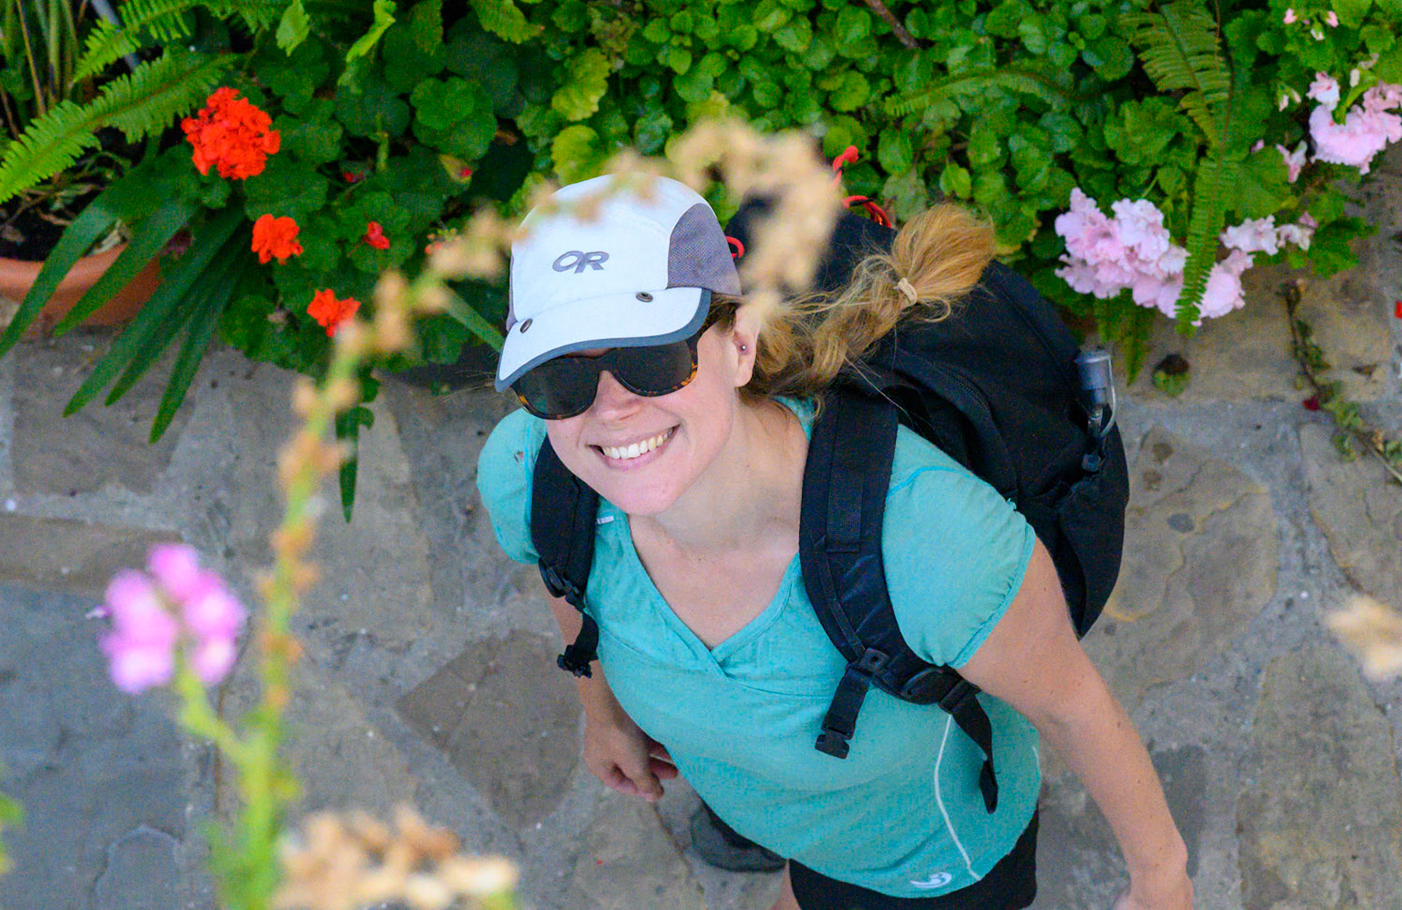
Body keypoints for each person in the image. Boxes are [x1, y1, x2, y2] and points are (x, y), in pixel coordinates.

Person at [474, 174, 1193, 910]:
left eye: (652, 358)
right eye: (560, 377)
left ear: (740, 344)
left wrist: (1162, 878)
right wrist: (604, 712)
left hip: (920, 863)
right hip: (794, 815)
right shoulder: (535, 475)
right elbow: (565, 574)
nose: (613, 409)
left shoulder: (930, 545)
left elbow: (1075, 706)